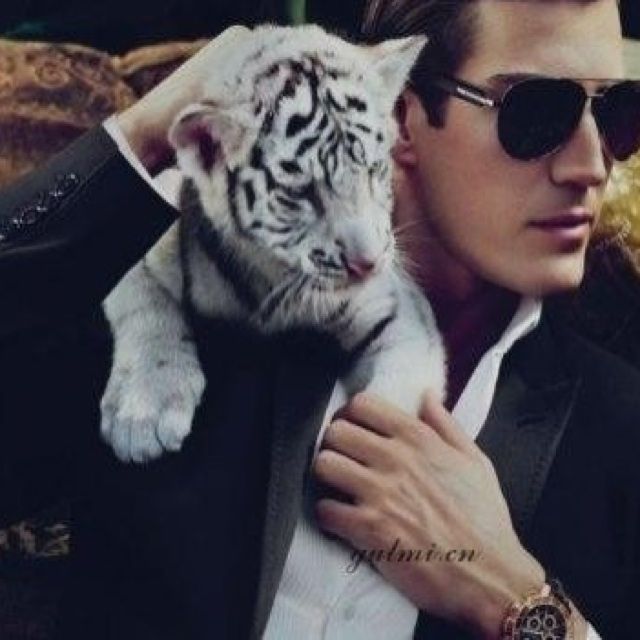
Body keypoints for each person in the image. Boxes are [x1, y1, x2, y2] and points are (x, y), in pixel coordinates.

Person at [0, 2, 639, 639]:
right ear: (399, 116)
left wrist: (521, 603)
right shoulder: (181, 310)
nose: (590, 166)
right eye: (536, 112)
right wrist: (146, 130)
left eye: (616, 113)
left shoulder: (621, 432)